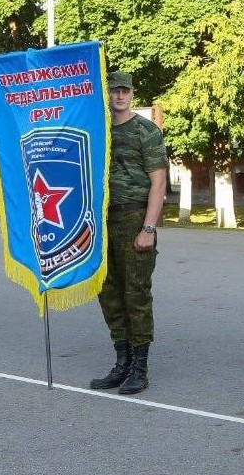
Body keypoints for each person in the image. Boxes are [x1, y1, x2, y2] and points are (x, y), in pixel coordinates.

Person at [90, 72, 168, 395]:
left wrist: (148, 227)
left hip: (135, 217)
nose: (119, 96)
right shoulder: (98, 131)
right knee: (107, 291)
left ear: (132, 94)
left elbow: (158, 182)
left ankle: (139, 367)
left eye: (125, 91)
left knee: (136, 293)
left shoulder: (145, 131)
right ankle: (121, 361)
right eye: (114, 91)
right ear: (107, 95)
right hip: (101, 219)